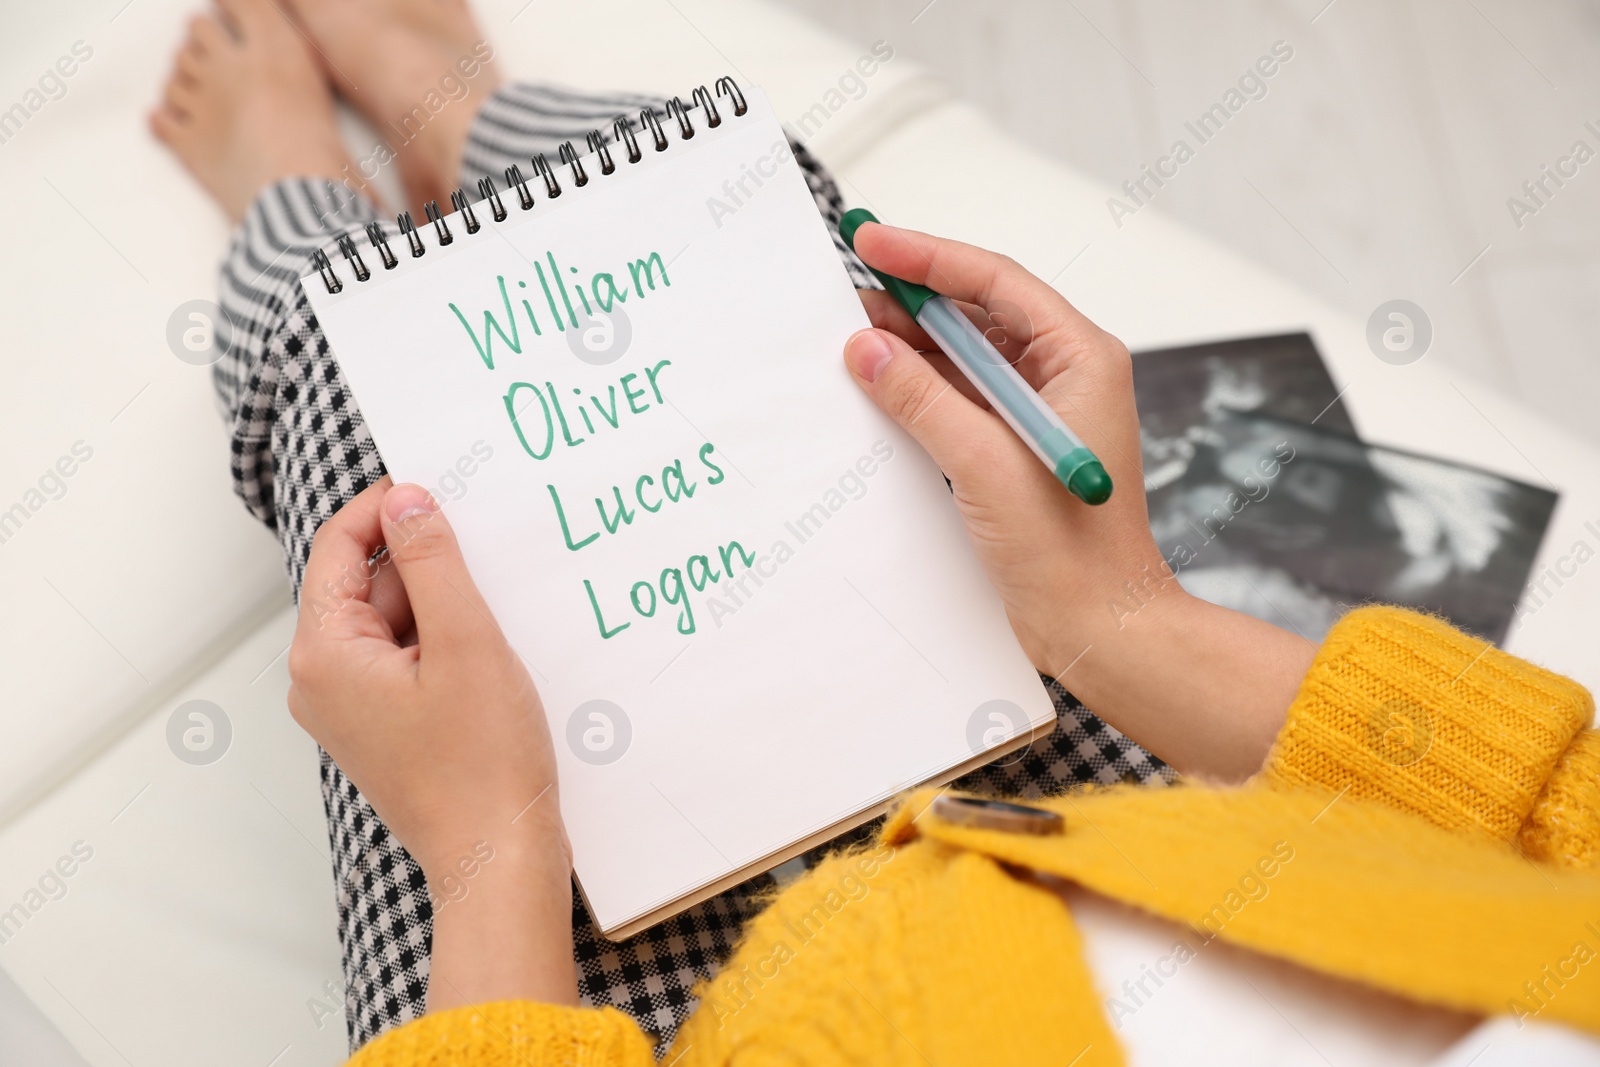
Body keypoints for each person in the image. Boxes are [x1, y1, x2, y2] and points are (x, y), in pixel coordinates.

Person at [154, 1, 1600, 1063]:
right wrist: (1127, 620)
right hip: (1132, 818)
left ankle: (299, 201)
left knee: (351, 380)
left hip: (640, 1001)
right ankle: (458, 110)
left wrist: (495, 845)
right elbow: (1561, 815)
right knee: (741, 195)